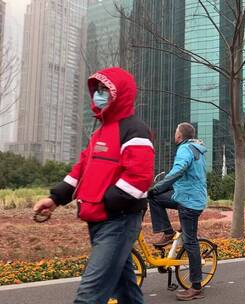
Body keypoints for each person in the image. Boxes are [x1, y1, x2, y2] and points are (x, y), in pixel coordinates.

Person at [33, 67, 155, 303]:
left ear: (120, 94)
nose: (99, 95)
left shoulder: (135, 130)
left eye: (105, 90)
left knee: (89, 295)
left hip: (118, 221)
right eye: (97, 90)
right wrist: (55, 198)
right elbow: (81, 170)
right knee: (126, 290)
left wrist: (106, 202)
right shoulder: (100, 133)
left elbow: (139, 177)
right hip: (99, 219)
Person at [147, 122, 208, 301]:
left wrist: (157, 187)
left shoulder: (184, 149)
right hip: (190, 196)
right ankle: (168, 232)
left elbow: (179, 170)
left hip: (189, 201)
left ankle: (196, 287)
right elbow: (182, 174)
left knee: (190, 243)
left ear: (180, 136)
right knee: (156, 198)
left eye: (175, 132)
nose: (174, 134)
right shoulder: (196, 148)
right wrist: (160, 188)